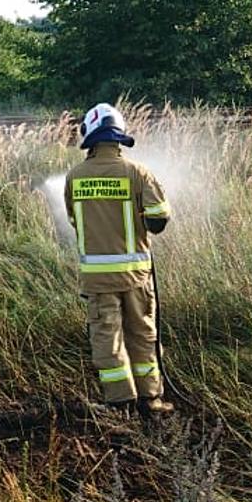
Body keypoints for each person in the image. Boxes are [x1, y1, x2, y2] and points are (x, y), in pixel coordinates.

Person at [63, 103, 173, 415]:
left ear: (90, 138)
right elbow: (159, 218)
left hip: (97, 279)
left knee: (107, 339)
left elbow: (75, 220)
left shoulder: (75, 176)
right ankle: (150, 400)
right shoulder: (137, 173)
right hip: (136, 277)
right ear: (118, 137)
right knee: (142, 334)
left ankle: (120, 402)